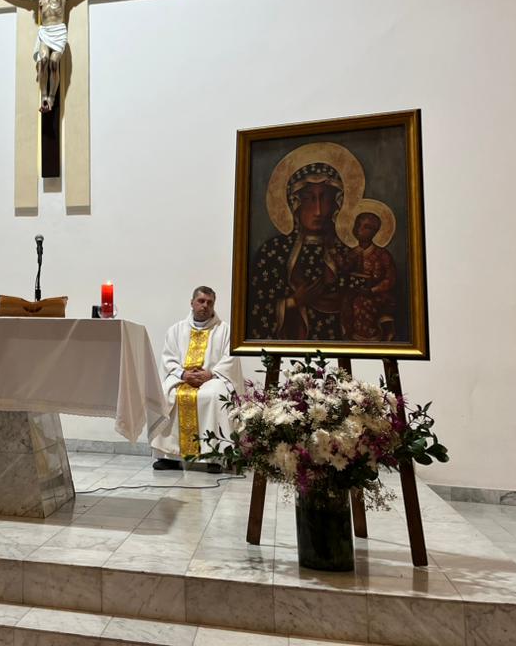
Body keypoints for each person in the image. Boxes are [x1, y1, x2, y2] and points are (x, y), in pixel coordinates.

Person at [247, 161, 350, 342]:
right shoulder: (273, 252)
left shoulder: (346, 254)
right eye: (309, 199)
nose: (318, 211)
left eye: (325, 199)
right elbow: (255, 309)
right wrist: (293, 301)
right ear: (295, 203)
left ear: (336, 204)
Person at [150, 287, 240, 472]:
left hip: (212, 378)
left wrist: (211, 373)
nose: (205, 305)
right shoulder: (176, 330)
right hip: (182, 377)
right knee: (168, 393)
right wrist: (183, 374)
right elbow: (168, 359)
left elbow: (230, 359)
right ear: (192, 303)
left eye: (209, 302)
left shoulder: (225, 330)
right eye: (201, 301)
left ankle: (214, 457)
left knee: (215, 395)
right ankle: (169, 456)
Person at [341, 211, 397, 341]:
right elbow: (344, 271)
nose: (359, 229)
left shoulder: (382, 254)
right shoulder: (351, 253)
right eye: (358, 225)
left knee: (361, 303)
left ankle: (369, 340)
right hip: (354, 292)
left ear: (374, 232)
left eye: (366, 227)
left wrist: (372, 290)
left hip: (378, 295)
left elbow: (390, 279)